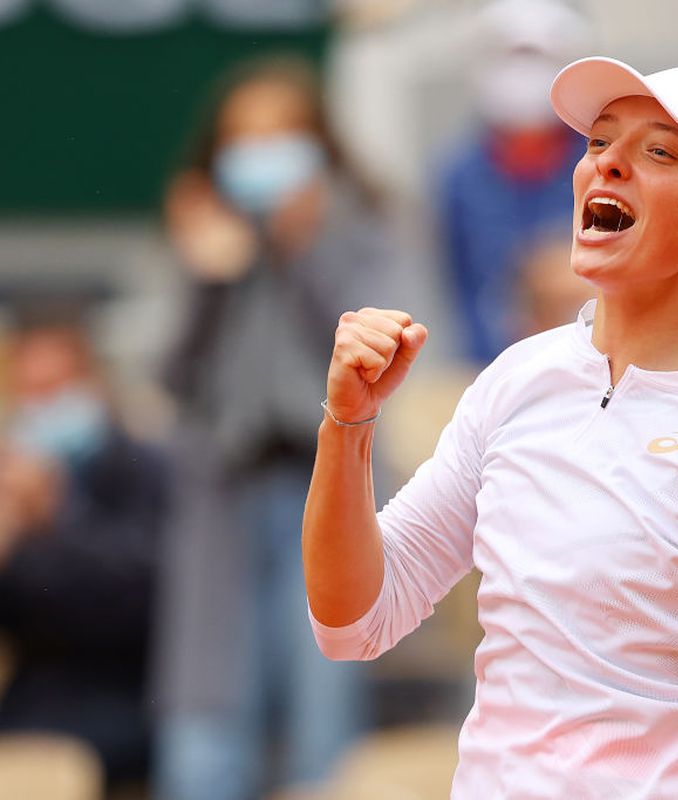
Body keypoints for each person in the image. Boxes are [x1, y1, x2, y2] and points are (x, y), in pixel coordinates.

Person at [304, 58, 678, 798]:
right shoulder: (515, 383)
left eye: (657, 152)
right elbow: (353, 620)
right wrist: (348, 423)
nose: (608, 164)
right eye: (599, 143)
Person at [154, 57, 402, 800]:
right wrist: (207, 276)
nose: (262, 157)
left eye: (280, 137)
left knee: (323, 718)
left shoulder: (366, 225)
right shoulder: (205, 231)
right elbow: (173, 378)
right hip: (223, 500)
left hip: (324, 494)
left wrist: (304, 248)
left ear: (319, 146)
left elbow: (376, 352)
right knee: (207, 728)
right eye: (244, 140)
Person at [0, 310, 167, 790]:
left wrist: (56, 521)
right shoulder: (14, 480)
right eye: (30, 393)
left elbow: (141, 594)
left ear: (92, 384)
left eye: (54, 390)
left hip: (125, 704)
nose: (42, 408)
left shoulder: (142, 468)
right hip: (31, 704)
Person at [437, 0, 591, 363]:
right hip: (487, 374)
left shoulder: (607, 165)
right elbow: (452, 292)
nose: (523, 72)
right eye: (511, 55)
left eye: (536, 55)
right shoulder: (457, 177)